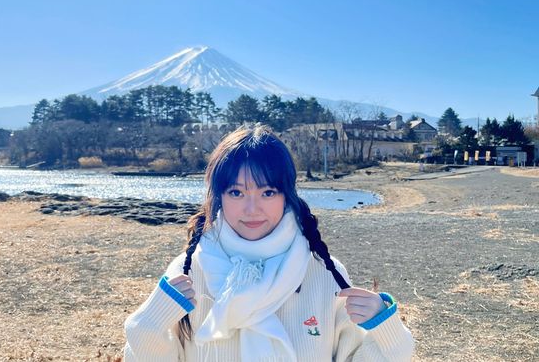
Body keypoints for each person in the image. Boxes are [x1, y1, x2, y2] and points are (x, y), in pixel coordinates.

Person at [124, 125, 415, 361]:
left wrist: (385, 327)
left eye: (268, 193)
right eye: (237, 193)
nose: (252, 209)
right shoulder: (188, 273)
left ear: (287, 195)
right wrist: (147, 324)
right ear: (219, 198)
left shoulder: (324, 274)